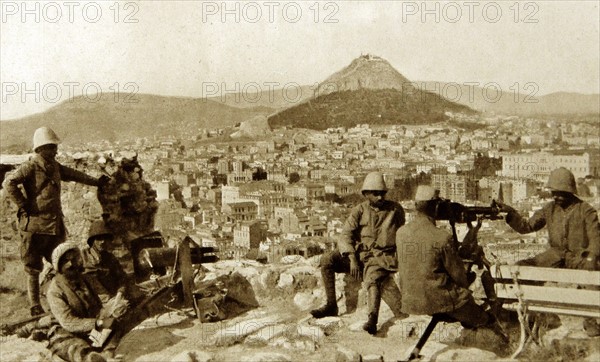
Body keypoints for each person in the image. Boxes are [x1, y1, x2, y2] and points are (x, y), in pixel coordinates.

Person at [3, 127, 109, 316]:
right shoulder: (30, 166)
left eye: (54, 147)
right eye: (51, 147)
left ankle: (64, 301)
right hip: (34, 228)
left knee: (63, 263)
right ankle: (35, 306)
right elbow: (9, 183)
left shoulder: (55, 167)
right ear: (40, 148)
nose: (55, 151)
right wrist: (23, 205)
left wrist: (96, 182)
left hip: (54, 227)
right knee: (33, 269)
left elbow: (76, 175)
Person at [496, 167, 600, 336]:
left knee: (590, 277)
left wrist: (591, 258)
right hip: (556, 253)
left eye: (560, 193)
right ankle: (524, 311)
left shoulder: (586, 210)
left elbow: (596, 239)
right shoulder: (549, 209)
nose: (556, 196)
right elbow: (526, 226)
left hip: (579, 255)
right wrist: (510, 213)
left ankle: (590, 321)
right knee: (523, 267)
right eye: (554, 192)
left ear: (570, 191)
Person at [396, 186, 506, 339]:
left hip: (410, 300)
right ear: (436, 207)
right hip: (439, 300)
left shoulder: (401, 233)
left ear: (416, 206)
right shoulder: (442, 237)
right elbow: (459, 277)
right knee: (480, 315)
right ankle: (496, 331)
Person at [310, 171, 405, 335]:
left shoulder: (395, 210)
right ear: (366, 194)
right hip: (359, 255)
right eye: (375, 194)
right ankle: (331, 305)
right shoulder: (359, 211)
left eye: (382, 193)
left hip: (381, 257)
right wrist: (352, 258)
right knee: (327, 260)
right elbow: (345, 235)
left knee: (373, 279)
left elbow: (403, 232)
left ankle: (372, 319)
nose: (380, 197)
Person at [46, 242, 123, 362]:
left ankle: (106, 354)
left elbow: (104, 299)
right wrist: (98, 323)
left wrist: (114, 307)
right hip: (66, 332)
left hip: (91, 330)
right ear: (58, 266)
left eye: (74, 259)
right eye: (66, 261)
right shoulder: (54, 291)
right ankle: (89, 358)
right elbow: (68, 322)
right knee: (71, 345)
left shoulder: (87, 279)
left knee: (115, 325)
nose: (71, 264)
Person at [81, 220, 129, 303]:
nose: (102, 242)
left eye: (105, 238)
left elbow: (122, 278)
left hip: (112, 299)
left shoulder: (110, 258)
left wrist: (120, 293)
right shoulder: (83, 257)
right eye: (99, 239)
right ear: (92, 241)